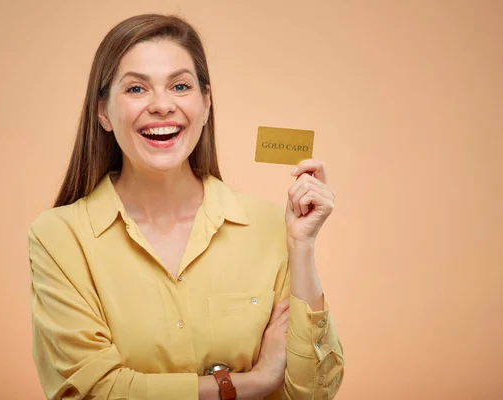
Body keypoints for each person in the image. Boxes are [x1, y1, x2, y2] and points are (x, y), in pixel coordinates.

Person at [28, 13, 344, 400]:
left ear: (206, 104)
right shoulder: (59, 237)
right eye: (136, 90)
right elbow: (98, 392)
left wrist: (302, 247)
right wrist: (251, 383)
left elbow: (312, 393)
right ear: (102, 112)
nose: (162, 106)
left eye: (180, 86)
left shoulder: (270, 225)